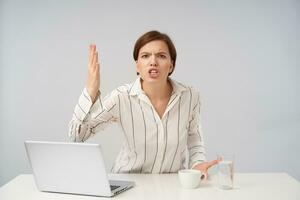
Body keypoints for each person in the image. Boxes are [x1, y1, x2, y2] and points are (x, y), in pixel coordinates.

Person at [69, 30, 218, 179]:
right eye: (145, 56)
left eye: (161, 56)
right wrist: (90, 92)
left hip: (171, 184)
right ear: (137, 66)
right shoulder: (121, 97)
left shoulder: (190, 96)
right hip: (129, 183)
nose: (153, 61)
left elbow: (194, 139)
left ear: (171, 65)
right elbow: (77, 136)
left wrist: (197, 164)